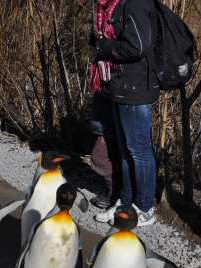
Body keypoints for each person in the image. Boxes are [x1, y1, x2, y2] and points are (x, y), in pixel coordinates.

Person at [92, 0, 159, 227]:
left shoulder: (135, 4)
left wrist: (104, 47)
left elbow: (137, 46)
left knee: (139, 152)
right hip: (118, 85)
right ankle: (126, 201)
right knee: (124, 151)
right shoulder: (111, 6)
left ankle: (145, 207)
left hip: (135, 88)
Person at [87, 0, 121, 209]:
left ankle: (116, 190)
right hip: (102, 77)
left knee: (109, 141)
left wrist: (104, 45)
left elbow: (131, 45)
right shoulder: (99, 7)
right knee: (101, 130)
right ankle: (113, 188)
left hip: (120, 80)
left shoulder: (123, 6)